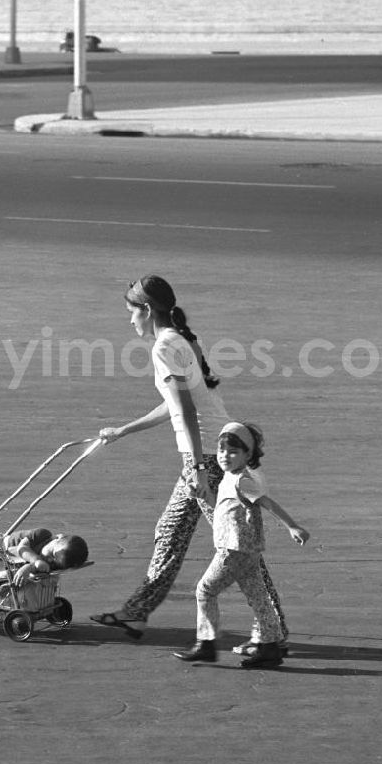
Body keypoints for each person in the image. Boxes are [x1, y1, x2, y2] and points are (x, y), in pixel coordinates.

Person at [90, 274, 287, 642]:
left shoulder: (165, 347)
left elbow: (186, 412)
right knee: (172, 532)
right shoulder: (179, 341)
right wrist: (123, 430)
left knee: (236, 546)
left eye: (131, 312)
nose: (129, 319)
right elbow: (175, 406)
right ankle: (136, 612)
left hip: (210, 458)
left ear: (147, 310)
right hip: (212, 454)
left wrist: (197, 469)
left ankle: (273, 626)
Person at [175, 421, 309, 668]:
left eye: (233, 451)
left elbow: (267, 503)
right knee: (258, 597)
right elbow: (223, 509)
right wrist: (201, 495)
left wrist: (292, 526)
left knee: (205, 590)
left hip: (233, 550)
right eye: (222, 449)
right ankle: (270, 647)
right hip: (248, 551)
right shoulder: (230, 477)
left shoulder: (242, 481)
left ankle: (206, 643)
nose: (225, 455)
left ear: (247, 455)